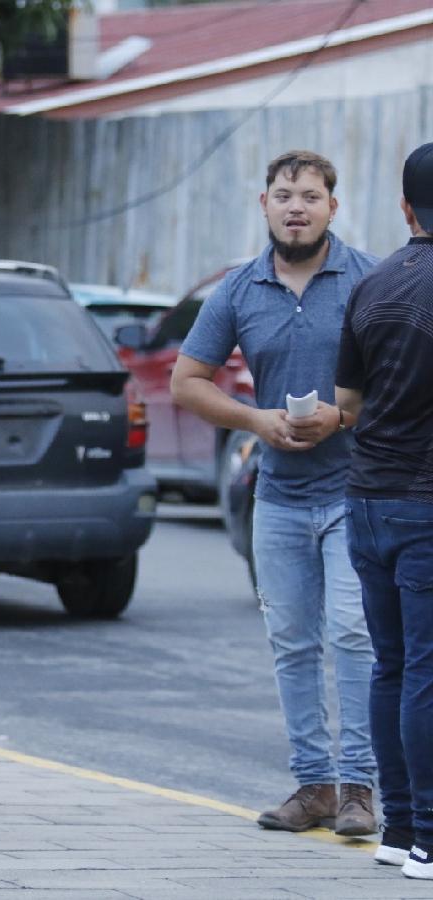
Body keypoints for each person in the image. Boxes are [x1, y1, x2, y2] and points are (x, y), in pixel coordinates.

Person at [171, 150, 379, 836]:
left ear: (332, 208)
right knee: (291, 642)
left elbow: (406, 381)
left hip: (355, 490)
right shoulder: (240, 289)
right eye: (285, 195)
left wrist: (341, 418)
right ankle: (314, 786)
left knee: (353, 635)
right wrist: (257, 421)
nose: (297, 207)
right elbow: (186, 382)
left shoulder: (368, 280)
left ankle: (360, 789)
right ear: (264, 204)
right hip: (280, 496)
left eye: (311, 196)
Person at [335, 141, 433, 879]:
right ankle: (429, 837)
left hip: (367, 499)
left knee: (391, 666)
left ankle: (398, 829)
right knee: (426, 670)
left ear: (405, 208)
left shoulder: (370, 284)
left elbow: (347, 403)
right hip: (425, 505)